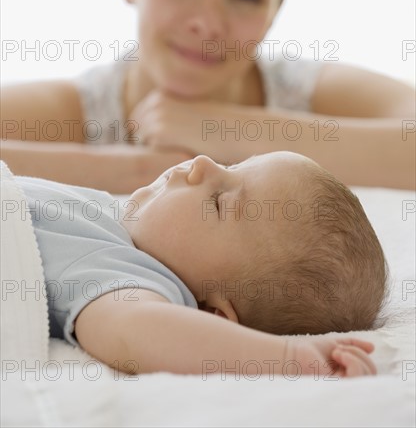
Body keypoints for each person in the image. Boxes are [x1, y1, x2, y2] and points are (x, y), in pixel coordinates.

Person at [2, 0, 414, 193]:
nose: (206, 22)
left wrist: (227, 129)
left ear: (275, 12)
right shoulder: (79, 112)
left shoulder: (304, 92)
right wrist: (137, 170)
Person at [16, 151, 388, 376]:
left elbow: (137, 333)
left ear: (212, 315)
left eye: (219, 201)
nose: (202, 163)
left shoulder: (125, 275)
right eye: (230, 165)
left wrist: (288, 359)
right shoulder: (111, 224)